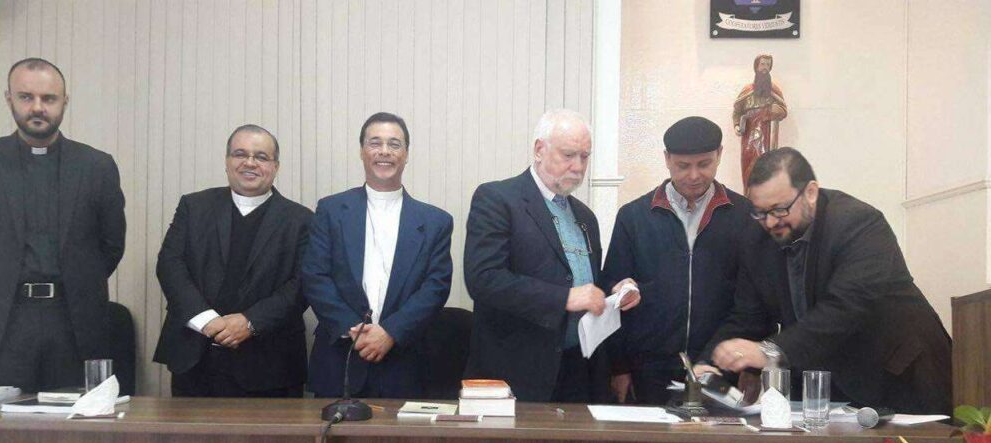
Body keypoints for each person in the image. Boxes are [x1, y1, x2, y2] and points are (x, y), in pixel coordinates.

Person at [700, 147, 952, 414]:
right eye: (760, 212)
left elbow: (846, 308)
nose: (770, 222)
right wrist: (711, 366)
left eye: (779, 209)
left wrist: (769, 352)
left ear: (810, 192)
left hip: (900, 377)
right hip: (827, 388)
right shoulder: (757, 239)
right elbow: (748, 316)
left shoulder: (859, 224)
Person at [0, 58, 126, 393]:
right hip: (0, 323)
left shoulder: (96, 166)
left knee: (74, 423)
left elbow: (111, 245)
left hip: (74, 322)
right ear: (9, 99)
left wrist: (80, 279)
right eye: (26, 97)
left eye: (48, 98)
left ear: (64, 102)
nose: (37, 107)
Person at [463, 109, 639, 402]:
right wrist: (564, 298)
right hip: (518, 372)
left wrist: (615, 292)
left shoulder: (586, 217)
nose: (578, 167)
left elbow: (585, 285)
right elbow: (484, 280)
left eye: (584, 157)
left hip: (579, 371)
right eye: (568, 155)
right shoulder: (497, 199)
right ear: (539, 150)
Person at [154, 125, 314, 398]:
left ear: (275, 166)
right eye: (240, 154)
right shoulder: (194, 207)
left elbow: (302, 285)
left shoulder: (301, 220)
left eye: (261, 157)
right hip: (195, 359)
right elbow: (170, 265)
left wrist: (250, 322)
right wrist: (207, 321)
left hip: (270, 366)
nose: (250, 162)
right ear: (227, 162)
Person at [603, 117, 753, 405]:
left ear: (720, 155)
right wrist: (619, 367)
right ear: (667, 159)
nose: (694, 175)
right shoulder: (634, 217)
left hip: (720, 366)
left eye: (704, 164)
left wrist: (752, 368)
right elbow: (612, 288)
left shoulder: (743, 215)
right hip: (649, 368)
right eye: (683, 166)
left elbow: (752, 298)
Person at [302, 112, 453, 398]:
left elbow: (436, 287)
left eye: (394, 144)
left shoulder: (435, 221)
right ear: (362, 151)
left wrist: (391, 332)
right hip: (340, 359)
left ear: (406, 155)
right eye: (375, 143)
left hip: (404, 362)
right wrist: (355, 331)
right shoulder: (331, 210)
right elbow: (315, 276)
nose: (384, 151)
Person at [733, 54, 788, 189]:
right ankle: (748, 195)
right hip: (749, 135)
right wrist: (736, 125)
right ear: (756, 66)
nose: (765, 68)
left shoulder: (774, 90)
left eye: (768, 65)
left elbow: (783, 111)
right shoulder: (747, 90)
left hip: (767, 134)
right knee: (748, 165)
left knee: (766, 166)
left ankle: (764, 197)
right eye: (762, 64)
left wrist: (773, 111)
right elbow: (737, 111)